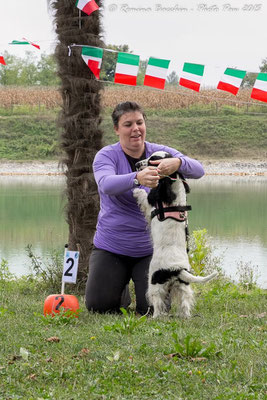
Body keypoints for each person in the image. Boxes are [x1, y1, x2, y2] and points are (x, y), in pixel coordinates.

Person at [85, 101, 204, 315]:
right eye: (128, 124)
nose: (135, 129)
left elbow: (199, 170)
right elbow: (106, 183)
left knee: (151, 308)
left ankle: (137, 287)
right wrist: (137, 178)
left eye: (139, 122)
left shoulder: (160, 152)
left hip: (151, 250)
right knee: (98, 307)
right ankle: (119, 288)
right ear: (116, 129)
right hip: (112, 246)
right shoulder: (106, 155)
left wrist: (178, 163)